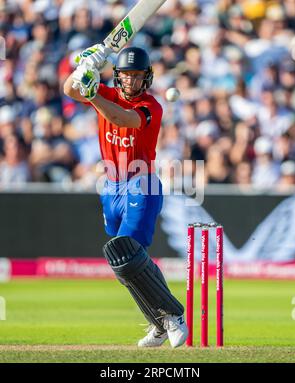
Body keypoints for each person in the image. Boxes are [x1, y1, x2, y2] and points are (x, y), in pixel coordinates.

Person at [63, 44, 188, 348]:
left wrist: (93, 93)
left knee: (128, 253)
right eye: (126, 75)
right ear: (117, 76)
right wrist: (85, 67)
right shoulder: (105, 92)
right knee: (124, 262)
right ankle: (157, 324)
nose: (131, 81)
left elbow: (122, 119)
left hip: (141, 182)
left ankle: (173, 315)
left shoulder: (151, 106)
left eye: (136, 75)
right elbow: (69, 90)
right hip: (111, 185)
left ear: (147, 78)